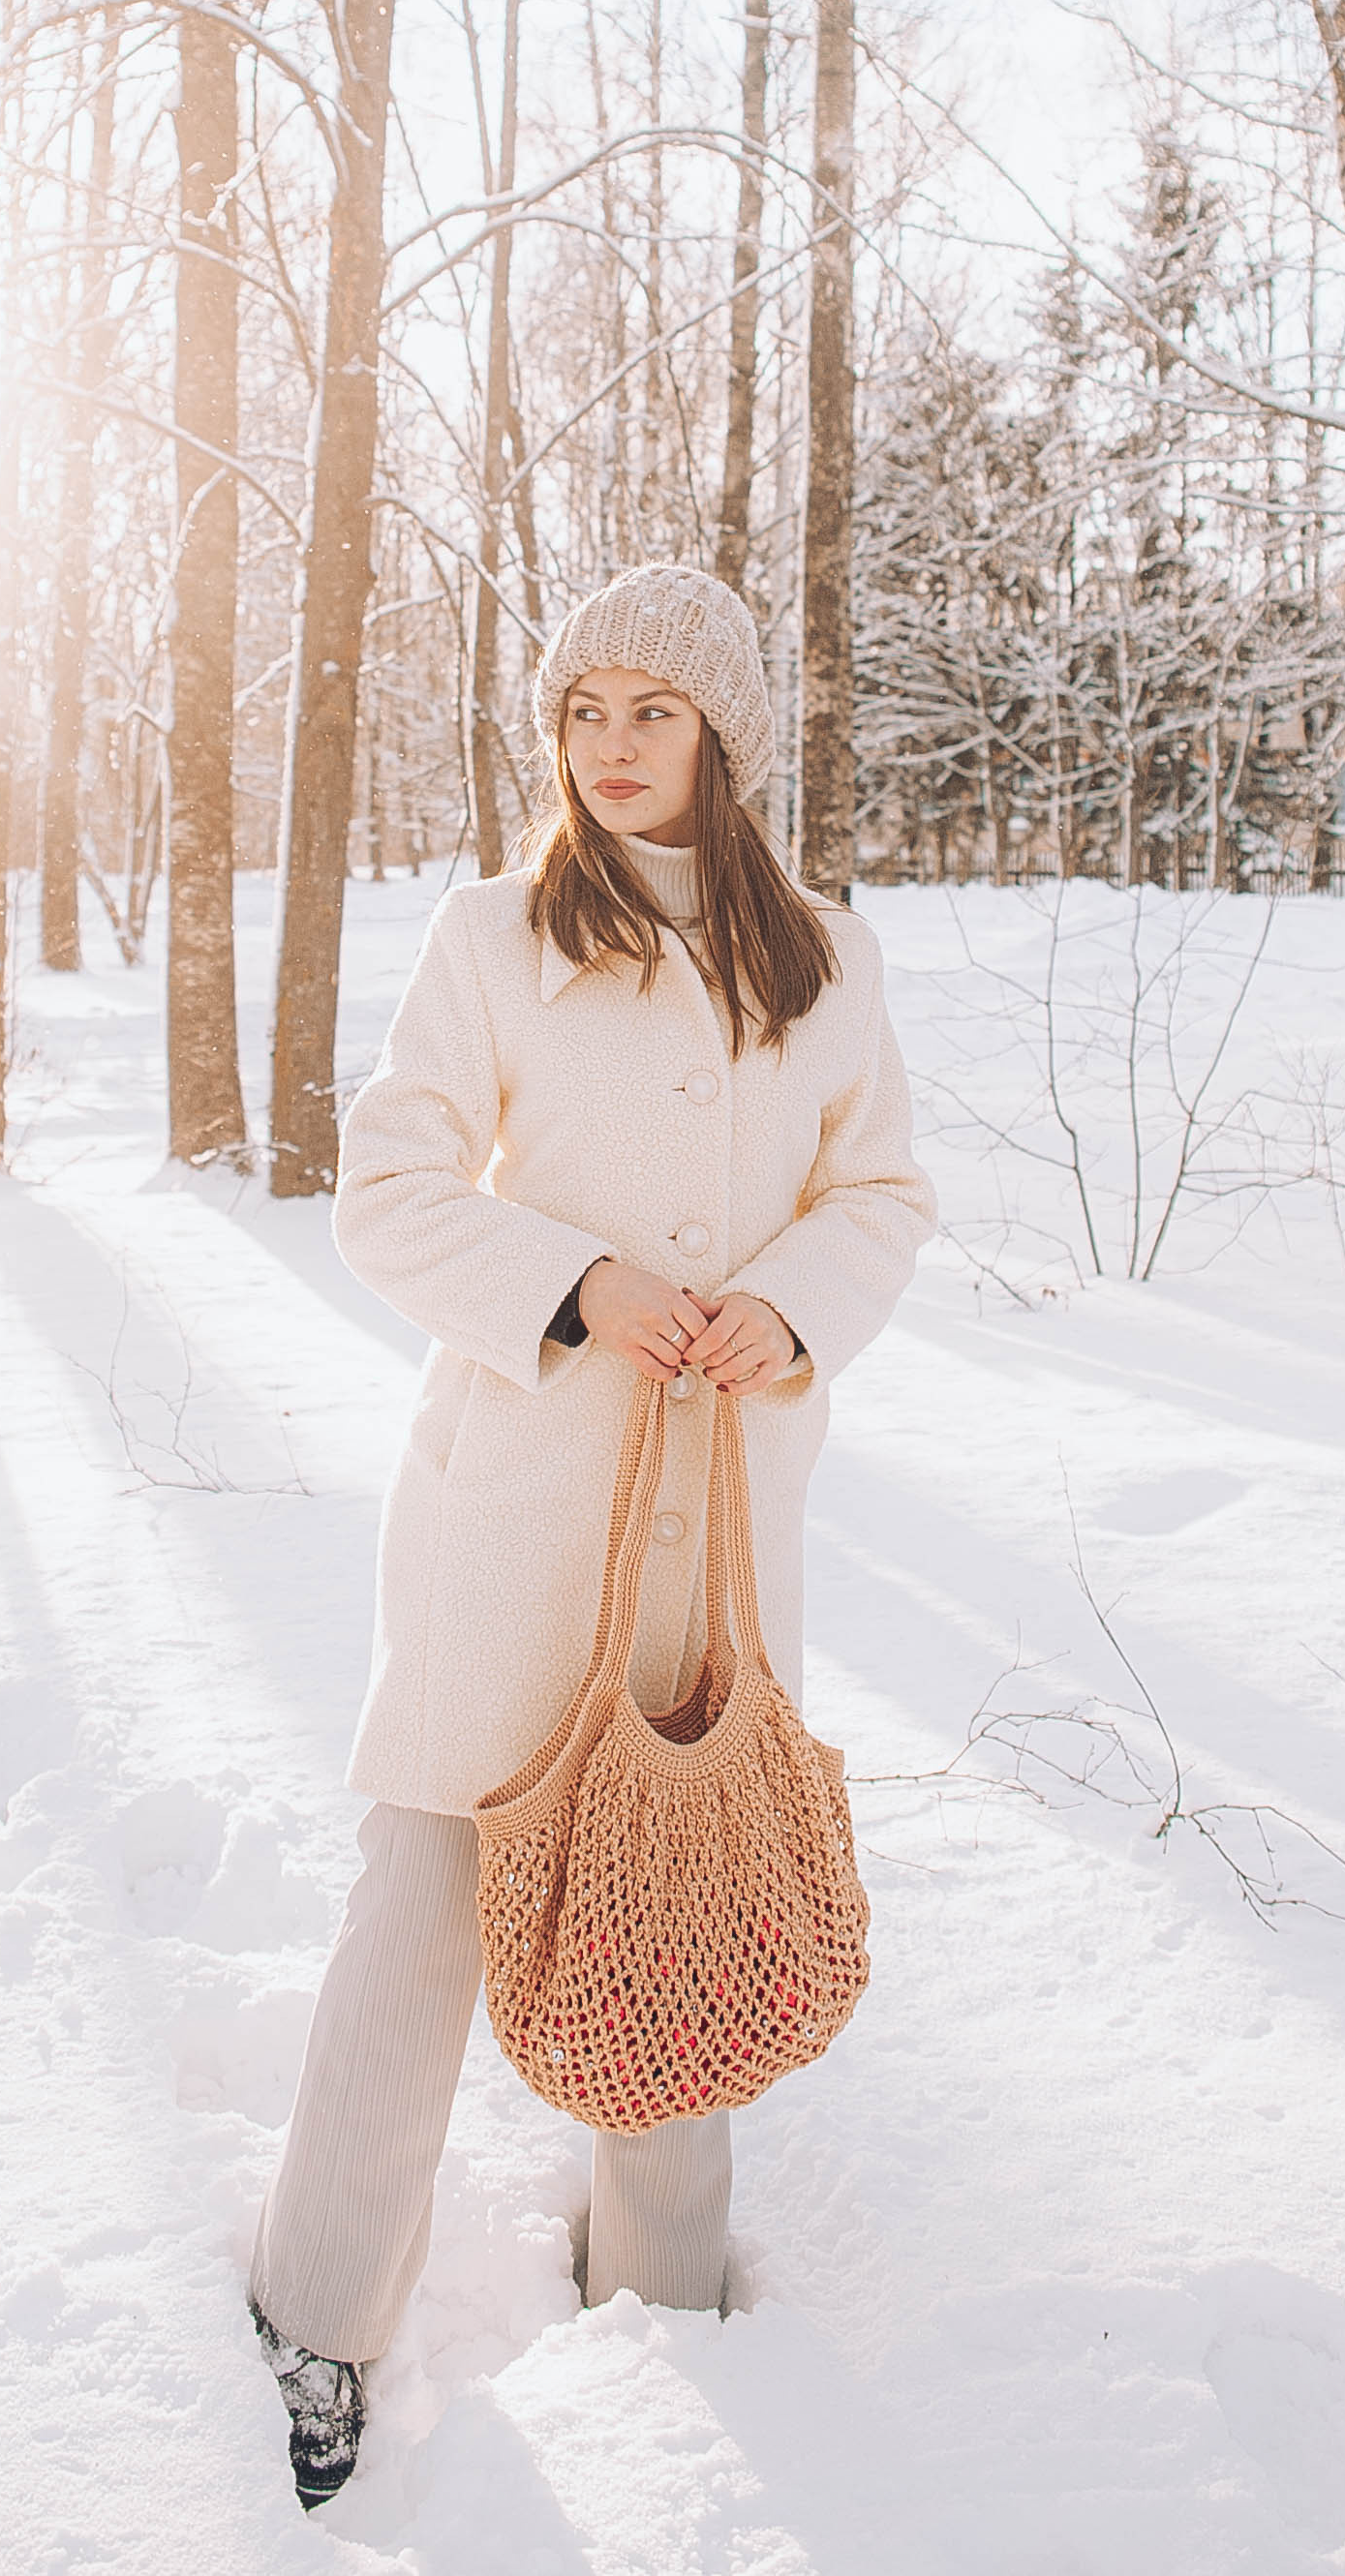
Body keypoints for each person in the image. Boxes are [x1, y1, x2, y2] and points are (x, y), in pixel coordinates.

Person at [248, 563, 934, 2509]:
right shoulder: (491, 934)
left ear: (723, 728)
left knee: (683, 1891)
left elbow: (880, 1186)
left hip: (716, 1512)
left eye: (651, 707)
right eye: (581, 711)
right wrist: (577, 1286)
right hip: (516, 1507)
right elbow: (381, 1186)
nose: (614, 744)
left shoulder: (823, 950)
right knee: (428, 1903)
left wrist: (789, 1300)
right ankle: (321, 2316)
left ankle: (672, 2311)